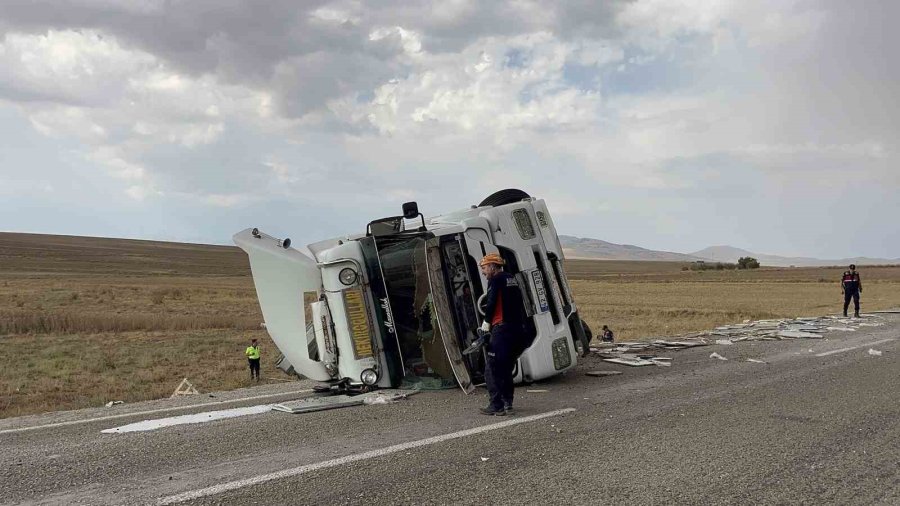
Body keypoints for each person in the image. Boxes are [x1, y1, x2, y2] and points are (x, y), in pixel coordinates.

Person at [478, 253, 528, 416]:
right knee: (506, 367)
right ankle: (508, 402)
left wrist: (486, 323)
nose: (484, 272)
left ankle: (496, 405)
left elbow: (491, 302)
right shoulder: (511, 279)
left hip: (503, 330)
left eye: (484, 268)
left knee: (492, 368)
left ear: (493, 266)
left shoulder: (496, 280)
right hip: (517, 330)